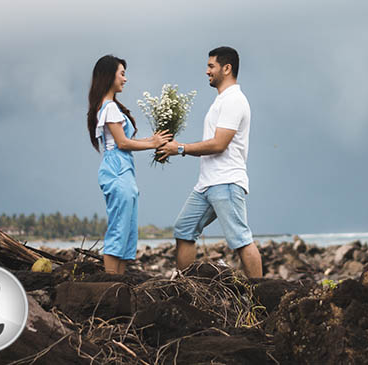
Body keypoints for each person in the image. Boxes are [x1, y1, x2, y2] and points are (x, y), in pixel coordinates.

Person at [158, 46, 263, 278]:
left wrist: (181, 148)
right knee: (184, 229)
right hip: (207, 184)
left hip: (226, 182)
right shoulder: (221, 100)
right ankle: (185, 286)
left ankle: (260, 297)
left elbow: (219, 144)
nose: (207, 71)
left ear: (227, 68)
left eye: (211, 66)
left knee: (241, 239)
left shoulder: (234, 100)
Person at [86, 55, 171, 274]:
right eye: (122, 74)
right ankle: (111, 283)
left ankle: (119, 282)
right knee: (119, 229)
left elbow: (122, 142)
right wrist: (152, 143)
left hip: (121, 169)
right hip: (117, 170)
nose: (125, 79)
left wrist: (153, 141)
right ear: (109, 76)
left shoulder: (108, 107)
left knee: (127, 230)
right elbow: (122, 143)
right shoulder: (110, 108)